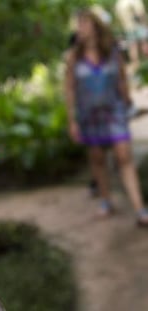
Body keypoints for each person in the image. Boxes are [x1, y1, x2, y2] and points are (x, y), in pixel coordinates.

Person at [64, 9, 148, 226]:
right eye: (79, 24)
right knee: (98, 159)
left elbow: (122, 80)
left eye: (85, 23)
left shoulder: (112, 52)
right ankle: (105, 200)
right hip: (89, 117)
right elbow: (70, 90)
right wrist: (72, 119)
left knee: (124, 157)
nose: (80, 28)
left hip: (115, 112)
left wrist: (128, 99)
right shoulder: (74, 57)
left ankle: (139, 209)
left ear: (96, 26)